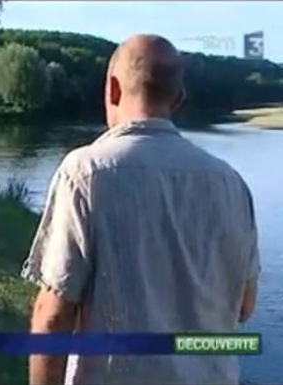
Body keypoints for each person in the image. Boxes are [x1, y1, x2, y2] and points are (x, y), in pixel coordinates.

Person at [21, 34, 260, 385]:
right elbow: (245, 306)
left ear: (112, 90)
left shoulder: (86, 172)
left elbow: (53, 317)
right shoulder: (232, 184)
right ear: (178, 99)